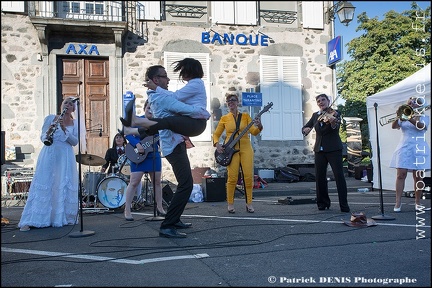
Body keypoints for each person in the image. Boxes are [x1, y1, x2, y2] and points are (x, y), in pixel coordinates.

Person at [144, 64, 207, 238]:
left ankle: (174, 219)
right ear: (156, 80)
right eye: (164, 76)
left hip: (175, 144)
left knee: (184, 184)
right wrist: (203, 112)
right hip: (173, 146)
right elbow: (182, 107)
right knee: (186, 185)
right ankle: (167, 225)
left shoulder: (157, 95)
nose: (169, 79)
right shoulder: (161, 97)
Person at [18, 97, 81, 231]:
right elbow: (43, 137)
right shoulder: (50, 118)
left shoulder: (75, 123)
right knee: (46, 181)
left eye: (70, 104)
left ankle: (61, 217)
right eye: (65, 103)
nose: (68, 105)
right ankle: (34, 219)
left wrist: (64, 130)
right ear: (61, 105)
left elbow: (75, 142)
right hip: (50, 154)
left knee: (61, 183)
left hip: (65, 156)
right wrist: (48, 133)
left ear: (73, 109)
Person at [120, 58, 210, 139]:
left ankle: (136, 122)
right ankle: (132, 129)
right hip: (194, 120)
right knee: (164, 124)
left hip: (196, 122)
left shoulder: (196, 83)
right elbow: (175, 97)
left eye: (183, 70)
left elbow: (175, 96)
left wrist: (156, 88)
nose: (181, 73)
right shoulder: (195, 84)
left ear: (189, 71)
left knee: (167, 122)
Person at [213, 94, 263, 214]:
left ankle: (249, 203)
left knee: (248, 177)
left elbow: (254, 132)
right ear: (227, 104)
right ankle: (230, 204)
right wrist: (217, 144)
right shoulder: (225, 118)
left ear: (238, 102)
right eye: (228, 101)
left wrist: (259, 126)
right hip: (230, 150)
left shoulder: (245, 116)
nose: (231, 102)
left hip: (246, 148)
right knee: (232, 177)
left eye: (233, 100)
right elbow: (216, 134)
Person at [302, 93, 350, 213]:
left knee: (339, 177)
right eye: (318, 101)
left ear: (328, 101)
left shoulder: (335, 113)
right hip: (319, 150)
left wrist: (333, 121)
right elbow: (306, 128)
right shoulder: (315, 116)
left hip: (334, 149)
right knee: (320, 177)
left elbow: (335, 126)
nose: (321, 102)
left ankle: (344, 205)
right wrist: (305, 129)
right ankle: (322, 203)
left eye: (323, 100)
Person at [123, 99, 166, 221]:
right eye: (148, 108)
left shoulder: (158, 124)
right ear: (144, 108)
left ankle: (159, 207)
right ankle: (127, 209)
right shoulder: (138, 121)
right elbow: (128, 134)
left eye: (152, 108)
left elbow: (161, 139)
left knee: (157, 182)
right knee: (134, 182)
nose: (150, 110)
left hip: (154, 155)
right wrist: (137, 144)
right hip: (138, 156)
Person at [389, 96, 430, 212]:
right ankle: (398, 202)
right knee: (400, 174)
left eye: (415, 102)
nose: (412, 103)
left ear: (421, 105)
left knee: (418, 176)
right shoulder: (404, 115)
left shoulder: (424, 117)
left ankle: (417, 202)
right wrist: (398, 116)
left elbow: (421, 127)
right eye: (410, 101)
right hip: (405, 146)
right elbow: (394, 126)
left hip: (419, 147)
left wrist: (409, 117)